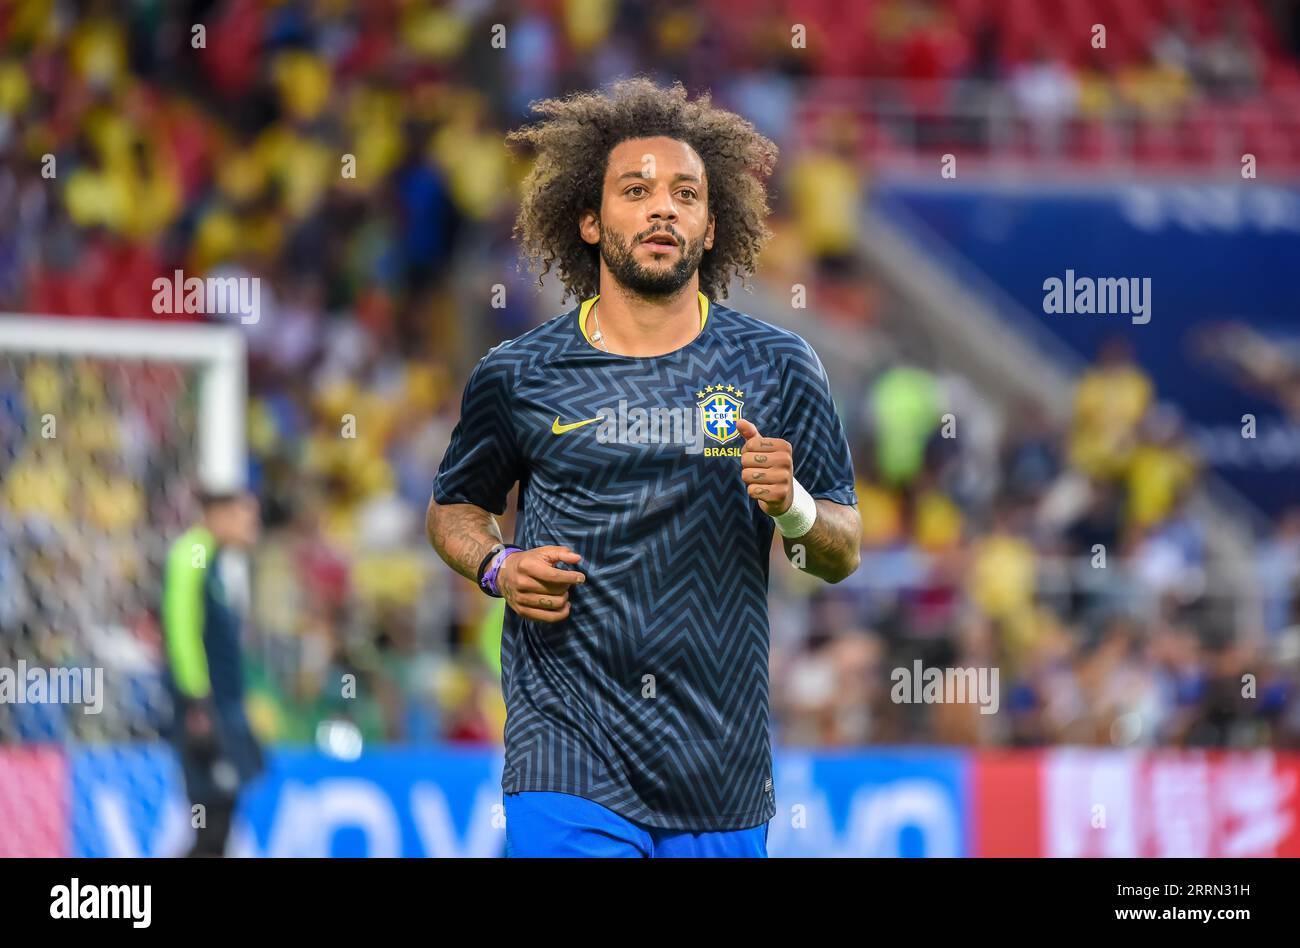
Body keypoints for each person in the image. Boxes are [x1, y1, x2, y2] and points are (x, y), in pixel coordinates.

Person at [427, 79, 861, 858]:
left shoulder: (779, 365)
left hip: (718, 771)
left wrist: (792, 507)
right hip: (566, 751)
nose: (663, 208)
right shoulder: (519, 373)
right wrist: (497, 567)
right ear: (590, 221)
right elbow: (455, 507)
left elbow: (841, 550)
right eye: (637, 190)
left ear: (711, 223)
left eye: (685, 194)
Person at [162, 489, 264, 857]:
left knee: (220, 819)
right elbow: (181, 628)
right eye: (245, 514)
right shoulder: (192, 554)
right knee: (211, 820)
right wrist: (197, 702)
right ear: (218, 515)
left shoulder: (216, 562)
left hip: (220, 707)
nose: (254, 524)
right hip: (204, 710)